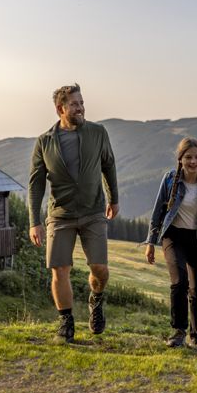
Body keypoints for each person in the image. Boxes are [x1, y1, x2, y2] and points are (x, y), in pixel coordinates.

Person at [28, 83, 119, 343]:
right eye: (74, 104)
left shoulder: (98, 132)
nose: (80, 108)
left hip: (93, 211)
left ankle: (96, 299)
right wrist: (34, 221)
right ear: (60, 109)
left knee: (99, 268)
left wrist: (114, 198)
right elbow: (36, 184)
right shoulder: (44, 142)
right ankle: (66, 323)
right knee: (59, 270)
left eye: (81, 103)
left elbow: (108, 165)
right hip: (60, 214)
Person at [145, 138, 197, 348]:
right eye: (188, 157)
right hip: (173, 236)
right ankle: (178, 331)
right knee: (180, 282)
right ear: (180, 159)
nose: (193, 161)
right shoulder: (170, 179)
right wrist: (151, 242)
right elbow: (158, 212)